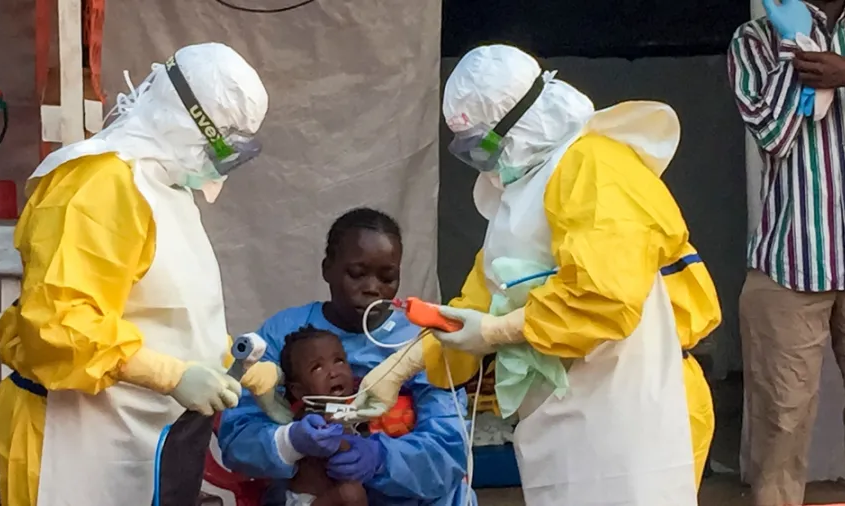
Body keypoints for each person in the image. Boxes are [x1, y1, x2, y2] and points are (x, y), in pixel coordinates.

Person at [349, 44, 722, 506]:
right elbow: (477, 304)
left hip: (641, 403)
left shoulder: (596, 166)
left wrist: (498, 331)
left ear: (520, 122)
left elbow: (604, 296)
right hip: (565, 412)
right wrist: (398, 369)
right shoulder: (521, 195)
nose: (482, 161)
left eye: (483, 145)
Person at [0, 42, 278, 506]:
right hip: (68, 439)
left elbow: (163, 313)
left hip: (134, 438)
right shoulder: (98, 184)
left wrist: (243, 368)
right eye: (222, 145)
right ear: (188, 124)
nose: (220, 163)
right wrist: (171, 375)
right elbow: (60, 325)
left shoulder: (165, 187)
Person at [218, 207, 476, 506]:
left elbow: (449, 447)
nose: (372, 289)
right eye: (356, 274)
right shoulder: (283, 333)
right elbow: (237, 436)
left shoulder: (423, 342)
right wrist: (290, 441)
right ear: (327, 268)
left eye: (388, 277)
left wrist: (381, 458)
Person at [728, 1, 845, 504]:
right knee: (781, 423)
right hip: (790, 263)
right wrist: (794, 54)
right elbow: (772, 137)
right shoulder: (753, 40)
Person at [279, 325, 368, 506]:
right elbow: (342, 448)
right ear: (298, 391)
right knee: (350, 494)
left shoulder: (348, 408)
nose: (334, 373)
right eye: (317, 368)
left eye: (339, 361)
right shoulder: (312, 420)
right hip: (307, 502)